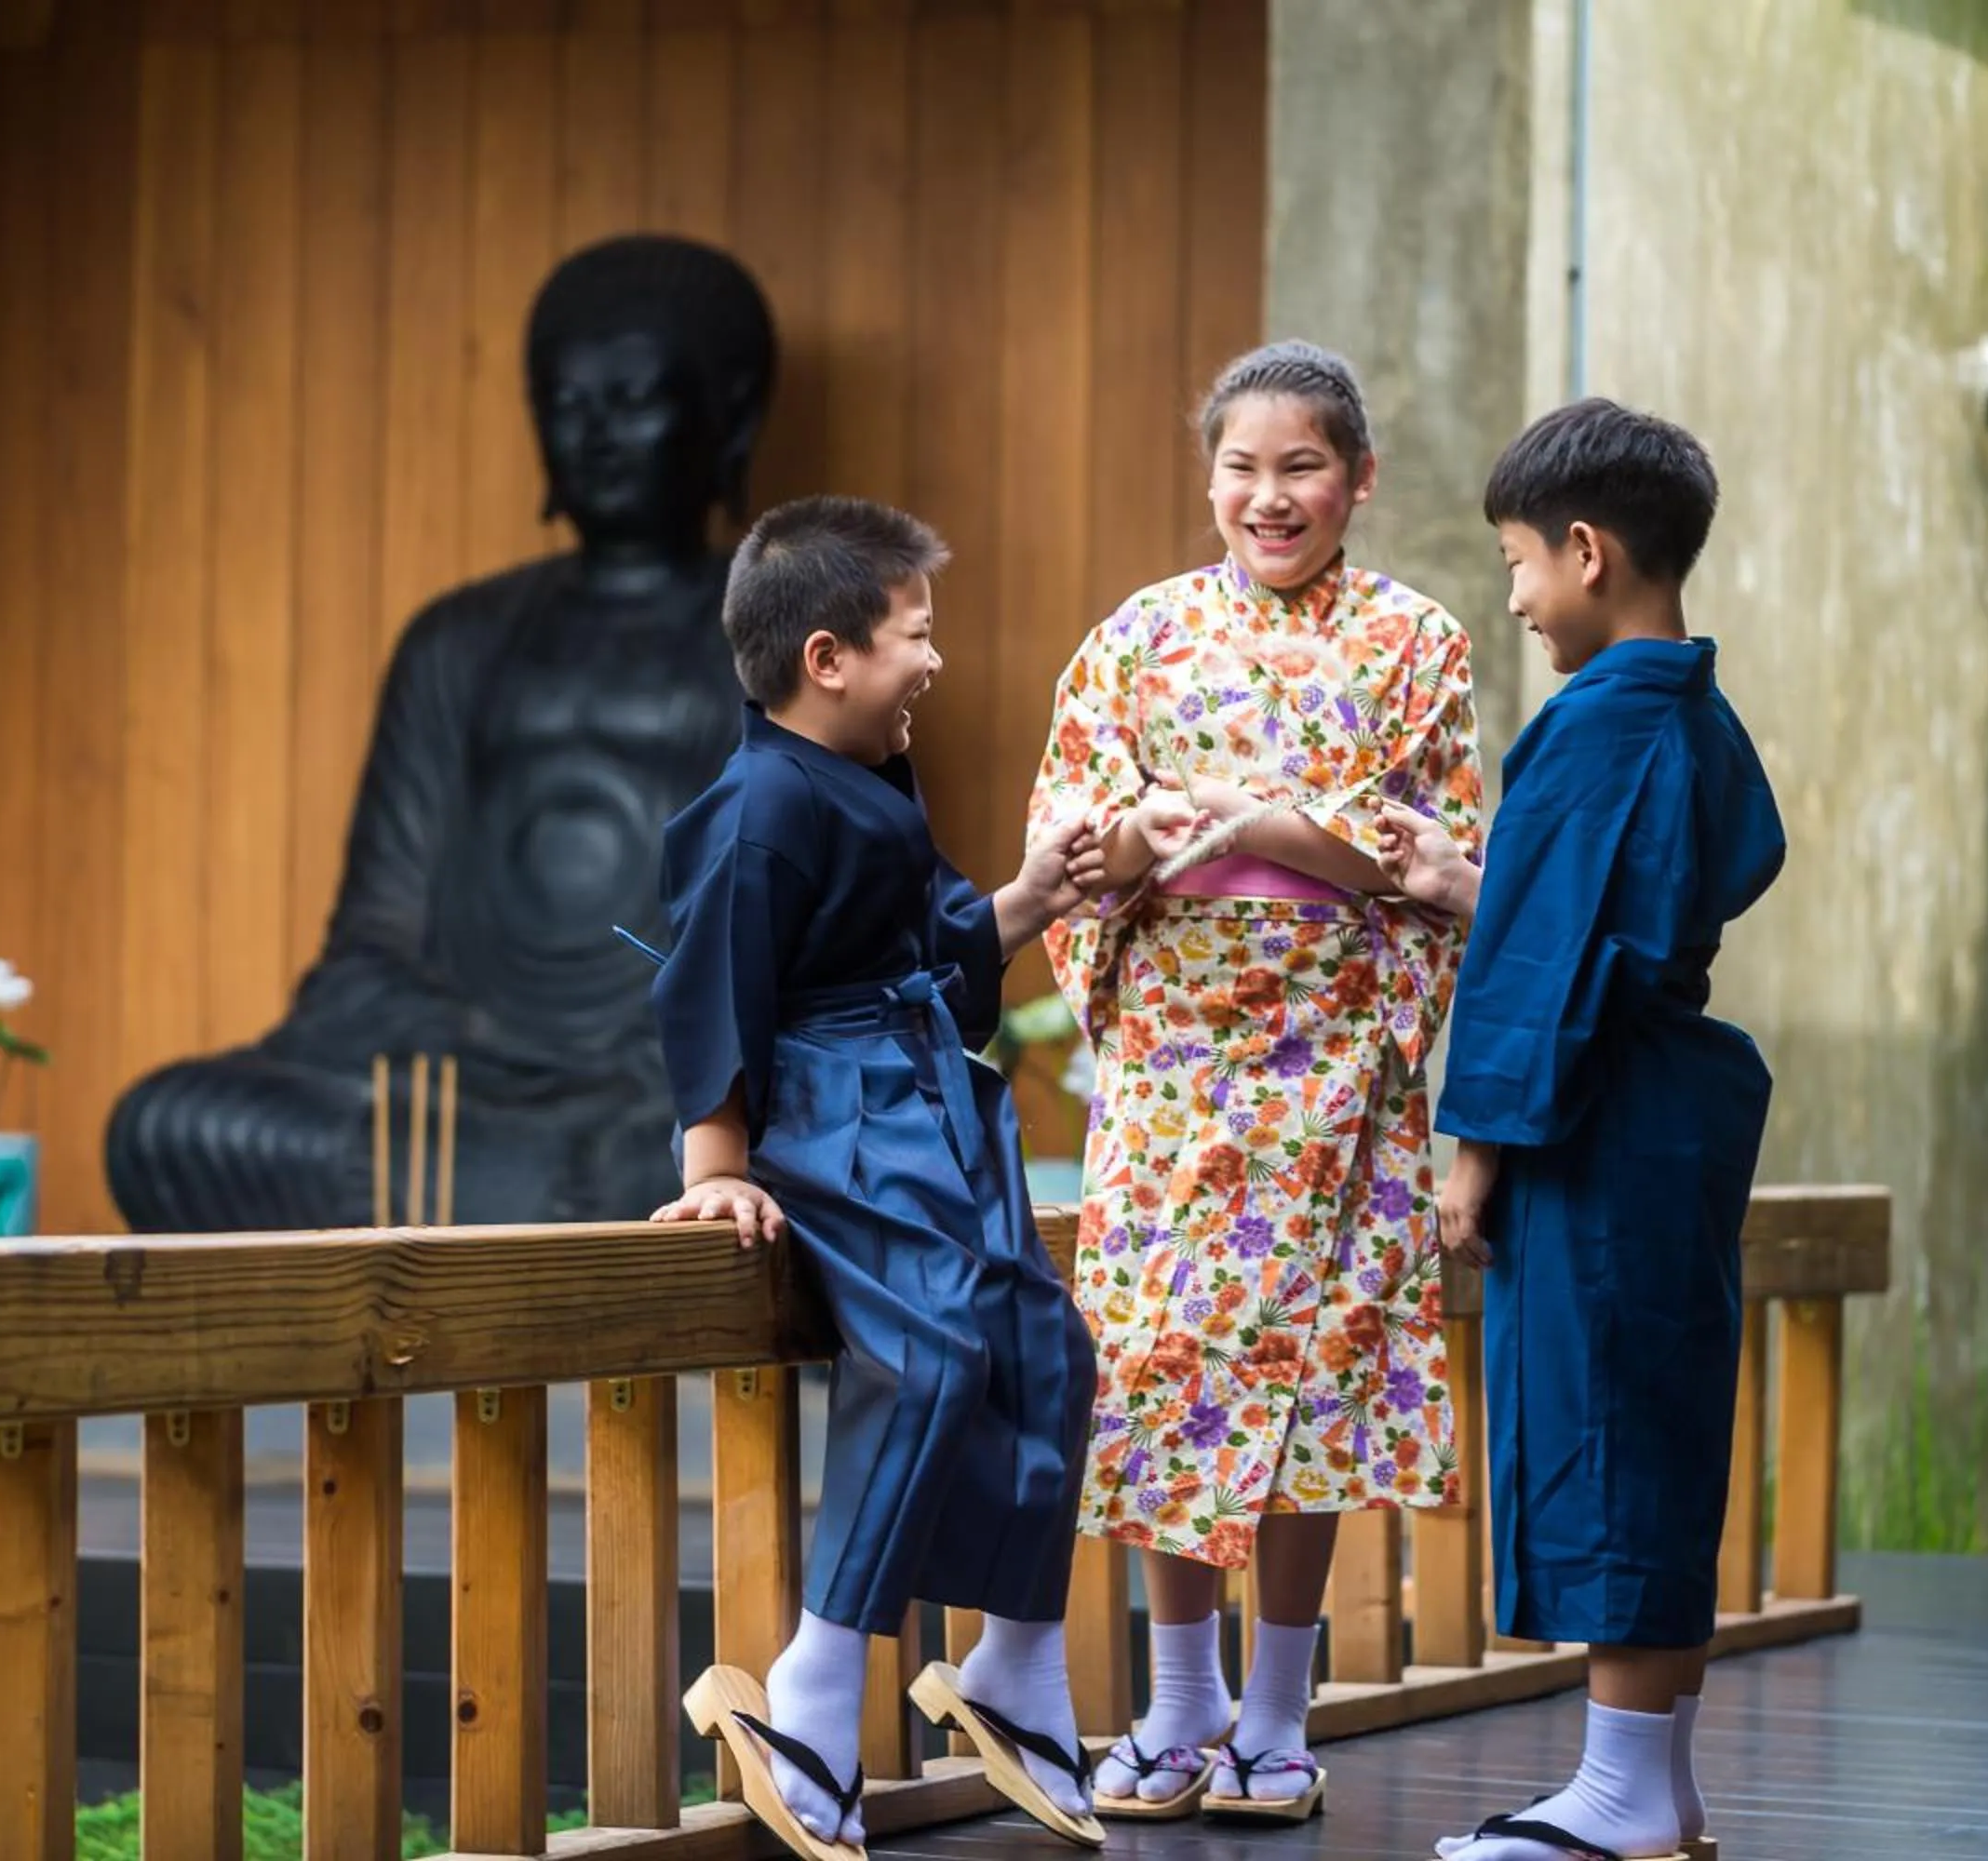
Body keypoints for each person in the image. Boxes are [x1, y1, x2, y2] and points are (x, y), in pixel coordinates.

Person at [1029, 340, 1485, 1823]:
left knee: (1312, 1387)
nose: (1268, 496)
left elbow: (1431, 853)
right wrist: (1135, 841)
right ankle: (1178, 1704)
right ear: (1208, 473)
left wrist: (1259, 823)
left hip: (1338, 1066)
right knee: (1165, 1366)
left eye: (1301, 468)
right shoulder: (1140, 638)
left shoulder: (1420, 642)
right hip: (1173, 1065)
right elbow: (1070, 841)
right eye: (1242, 466)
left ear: (1360, 480)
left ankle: (1278, 1722)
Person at [104, 234, 773, 1233]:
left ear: (728, 412)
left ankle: (526, 1206)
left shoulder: (785, 638)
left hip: (655, 1087)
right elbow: (374, 933)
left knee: (747, 1141)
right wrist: (473, 1035)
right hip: (460, 1077)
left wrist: (669, 1060)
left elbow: (803, 923)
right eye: (567, 402)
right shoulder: (457, 641)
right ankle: (539, 1212)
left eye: (633, 400)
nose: (594, 434)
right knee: (171, 1123)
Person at [657, 496, 1108, 1861]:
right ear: (826, 658)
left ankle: (1016, 1666)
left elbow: (931, 943)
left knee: (1047, 1347)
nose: (934, 660)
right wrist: (718, 1162)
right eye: (916, 635)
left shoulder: (867, 778)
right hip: (833, 1106)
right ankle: (812, 1690)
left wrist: (1027, 897)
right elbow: (709, 983)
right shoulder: (753, 806)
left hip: (922, 1094)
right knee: (924, 1355)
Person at [1375, 397, 1784, 1861]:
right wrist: (1477, 886)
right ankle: (1657, 1789)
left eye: (1516, 565)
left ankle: (1614, 1801)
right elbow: (1635, 917)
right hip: (1666, 1116)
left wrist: (1470, 1156)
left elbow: (1548, 973)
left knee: (1602, 1426)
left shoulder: (1590, 726)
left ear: (1589, 551)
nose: (1517, 597)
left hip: (1594, 1124)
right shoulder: (1693, 708)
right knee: (1659, 1427)